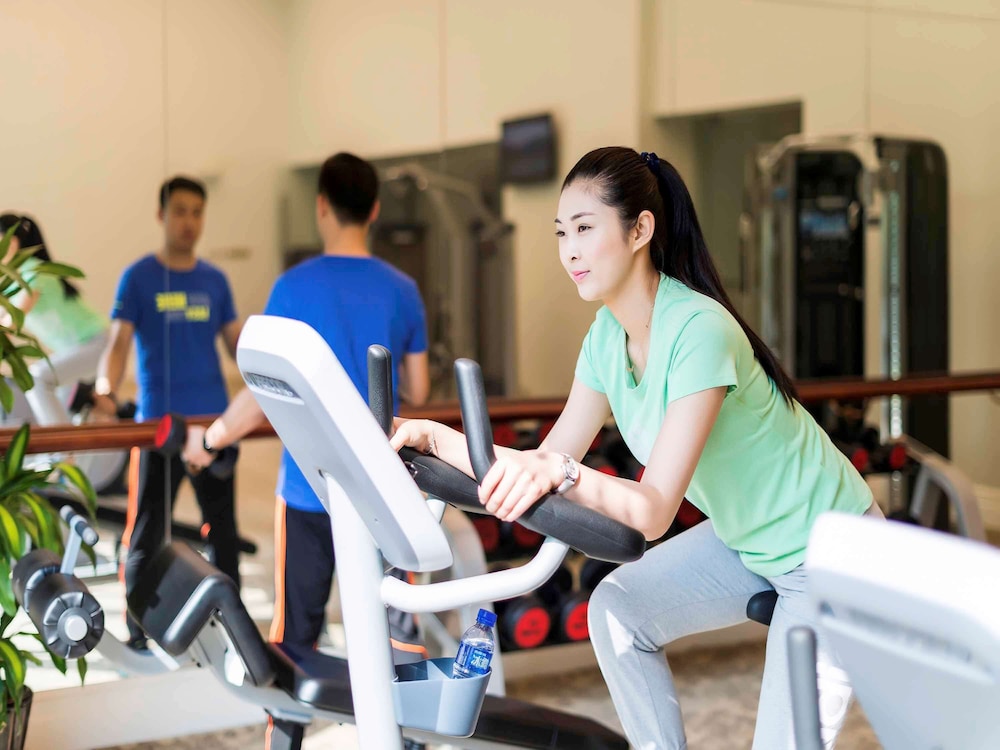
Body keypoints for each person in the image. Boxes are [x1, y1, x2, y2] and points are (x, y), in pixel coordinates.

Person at [389, 146, 882, 750]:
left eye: (585, 228)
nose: (569, 250)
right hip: (749, 540)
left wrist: (565, 472)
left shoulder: (699, 330)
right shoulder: (606, 339)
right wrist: (437, 438)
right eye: (561, 233)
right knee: (617, 608)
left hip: (831, 549)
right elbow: (543, 459)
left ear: (640, 229)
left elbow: (652, 511)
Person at [180, 153, 430, 667]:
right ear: (374, 210)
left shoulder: (292, 287)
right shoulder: (404, 289)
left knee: (296, 642)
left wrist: (210, 440)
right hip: (384, 486)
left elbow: (261, 393)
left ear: (321, 207)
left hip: (308, 488)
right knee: (397, 641)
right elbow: (420, 390)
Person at [96, 176, 244, 649]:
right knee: (147, 533)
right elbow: (118, 344)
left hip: (215, 428)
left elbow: (238, 345)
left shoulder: (215, 281)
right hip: (160, 429)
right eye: (180, 211)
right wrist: (104, 388)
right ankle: (138, 630)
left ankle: (233, 631)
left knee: (223, 533)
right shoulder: (138, 277)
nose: (189, 222)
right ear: (162, 215)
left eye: (197, 212)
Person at [0, 213, 109, 426]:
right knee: (62, 408)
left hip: (95, 343)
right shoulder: (14, 279)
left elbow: (12, 321)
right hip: (78, 348)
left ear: (11, 242)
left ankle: (60, 446)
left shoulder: (33, 270)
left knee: (36, 379)